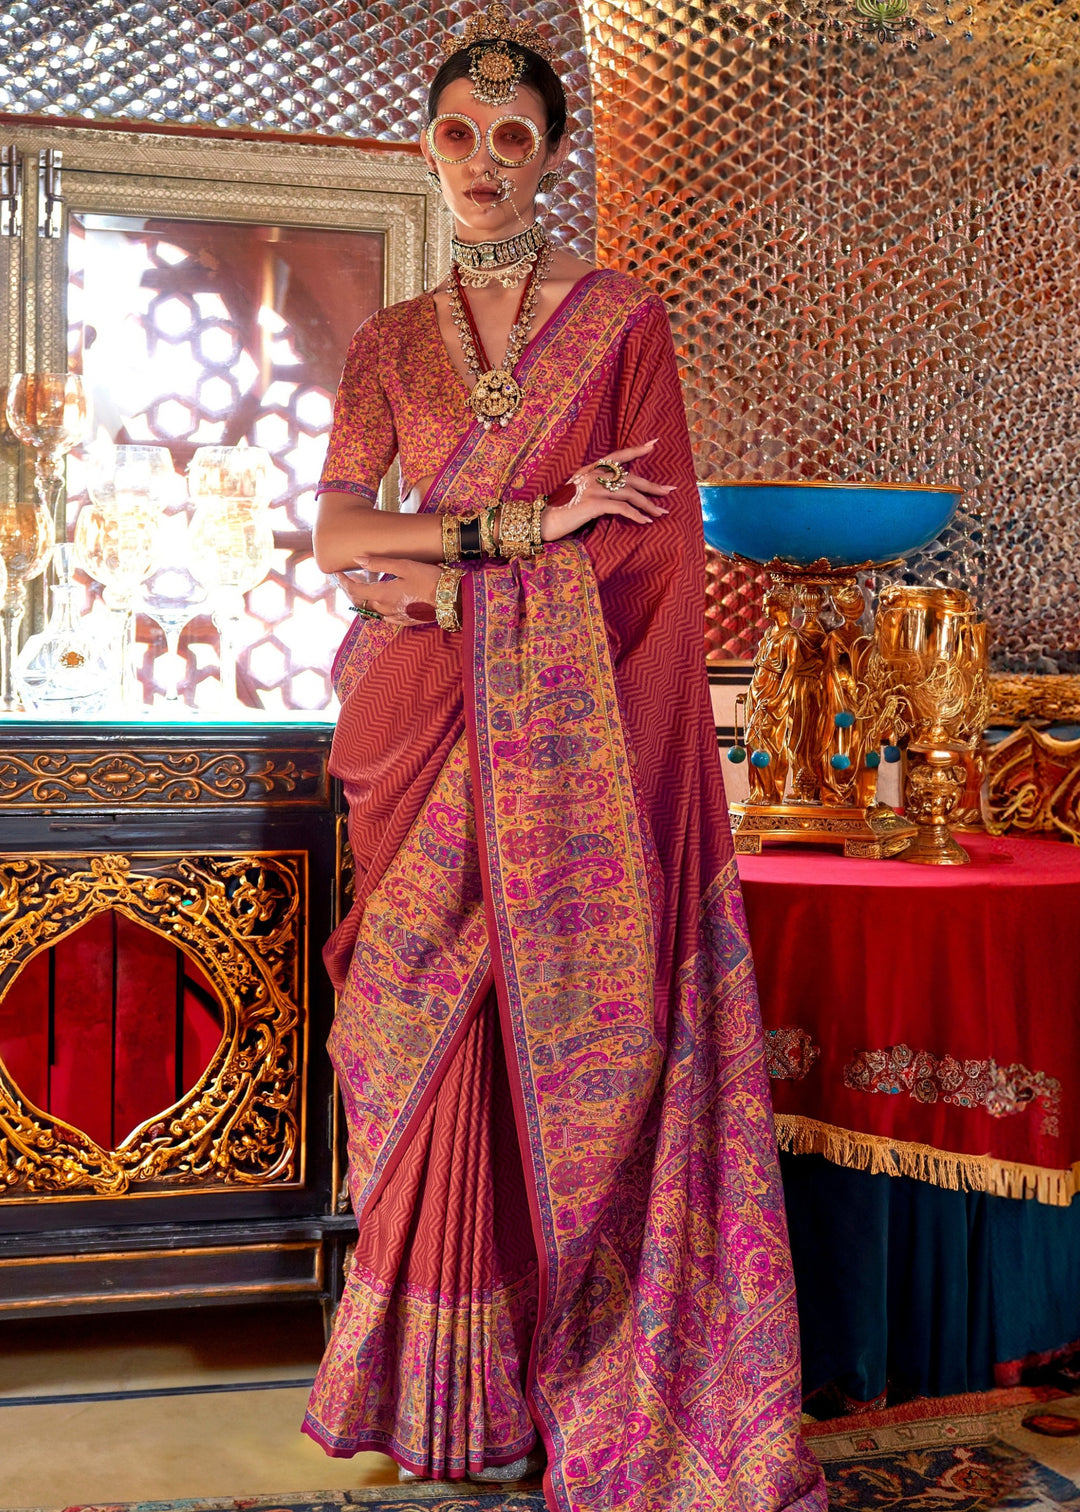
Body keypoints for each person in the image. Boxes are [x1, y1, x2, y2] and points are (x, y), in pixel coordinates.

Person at [302, 6, 827, 1509]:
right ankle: (437, 1398)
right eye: (458, 136)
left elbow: (651, 563)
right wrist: (519, 533)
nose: (481, 161)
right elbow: (341, 532)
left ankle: (558, 1382)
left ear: (549, 159)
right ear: (425, 148)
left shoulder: (617, 324)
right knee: (424, 1036)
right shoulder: (388, 344)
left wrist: (445, 571)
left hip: (555, 746)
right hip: (412, 717)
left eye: (512, 137)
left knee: (526, 1028)